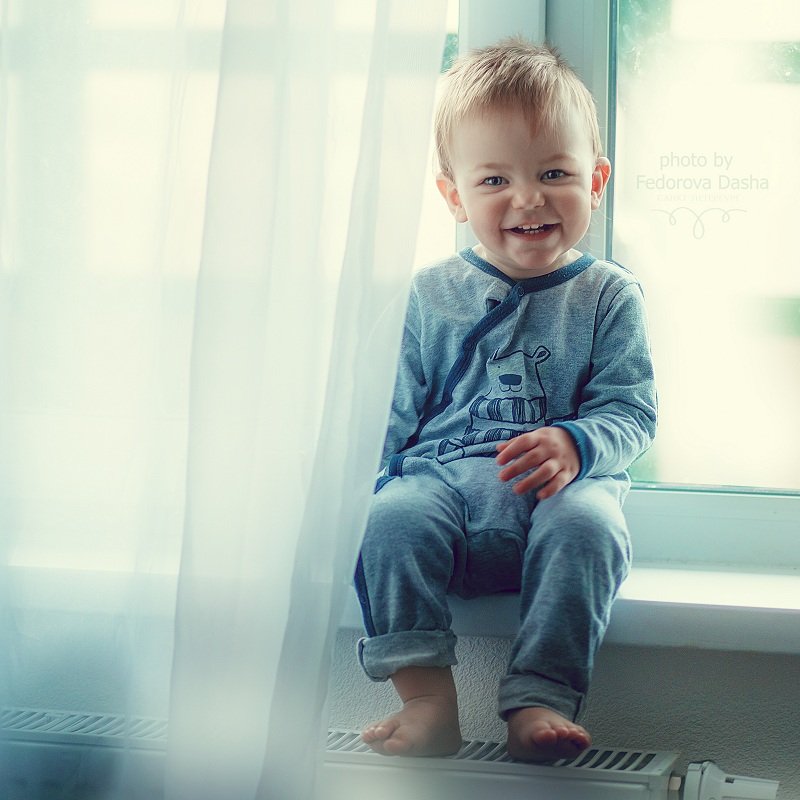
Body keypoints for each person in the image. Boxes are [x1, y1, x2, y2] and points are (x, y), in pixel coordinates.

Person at [353, 38, 657, 763]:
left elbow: (632, 412)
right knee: (389, 516)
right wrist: (339, 493)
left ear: (596, 180)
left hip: (556, 501)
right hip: (445, 495)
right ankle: (427, 700)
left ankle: (540, 698)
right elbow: (385, 415)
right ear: (454, 196)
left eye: (554, 173)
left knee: (593, 525)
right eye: (494, 179)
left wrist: (577, 443)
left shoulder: (608, 296)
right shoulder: (428, 295)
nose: (528, 198)